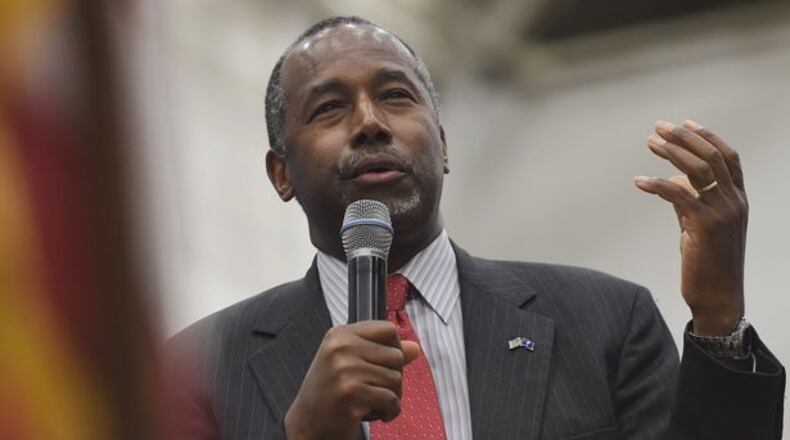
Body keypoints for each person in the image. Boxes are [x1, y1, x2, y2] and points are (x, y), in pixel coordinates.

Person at [170, 16, 785, 440]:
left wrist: (719, 318)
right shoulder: (199, 368)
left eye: (396, 96)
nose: (370, 123)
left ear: (441, 145)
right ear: (282, 174)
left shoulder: (604, 321)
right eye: (330, 108)